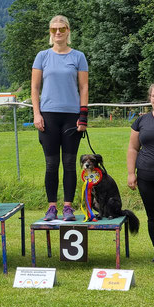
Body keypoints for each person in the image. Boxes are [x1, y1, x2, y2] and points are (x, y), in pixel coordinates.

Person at [31, 15, 89, 221]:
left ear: (68, 31)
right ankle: (51, 207)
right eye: (54, 29)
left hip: (72, 116)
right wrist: (36, 114)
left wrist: (83, 116)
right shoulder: (42, 56)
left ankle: (68, 207)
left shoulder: (78, 56)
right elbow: (35, 88)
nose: (58, 32)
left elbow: (83, 87)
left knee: (70, 163)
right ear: (50, 32)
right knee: (51, 164)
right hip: (48, 116)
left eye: (62, 29)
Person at [127, 81, 154, 262]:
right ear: (150, 98)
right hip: (146, 177)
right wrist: (131, 173)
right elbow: (133, 148)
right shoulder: (141, 121)